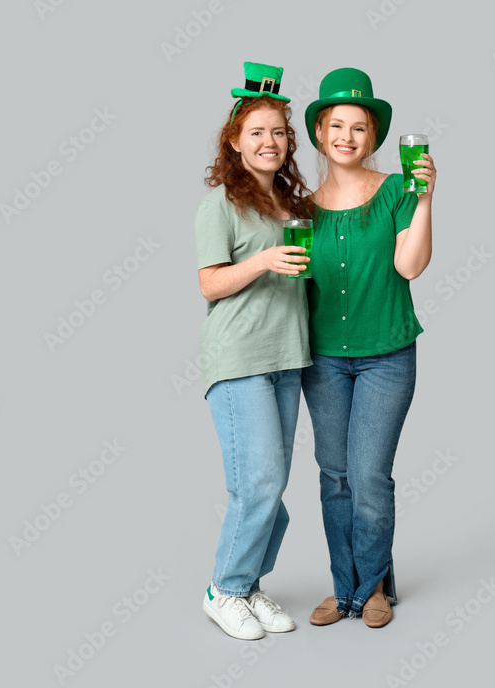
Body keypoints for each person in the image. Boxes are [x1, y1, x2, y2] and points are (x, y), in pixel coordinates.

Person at [300, 68, 437, 628]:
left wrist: (425, 198)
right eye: (337, 125)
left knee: (370, 475)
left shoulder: (397, 191)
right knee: (334, 474)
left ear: (374, 137)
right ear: (319, 134)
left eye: (359, 127)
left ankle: (374, 584)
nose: (347, 137)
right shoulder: (301, 208)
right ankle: (344, 588)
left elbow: (410, 265)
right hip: (324, 359)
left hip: (386, 355)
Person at [195, 62, 313, 640]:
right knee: (258, 482)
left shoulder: (291, 205)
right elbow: (210, 284)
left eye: (280, 132)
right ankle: (224, 589)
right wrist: (264, 260)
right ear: (236, 142)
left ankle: (250, 584)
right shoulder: (221, 204)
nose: (271, 142)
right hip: (240, 359)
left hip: (287, 359)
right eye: (258, 132)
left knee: (272, 485)